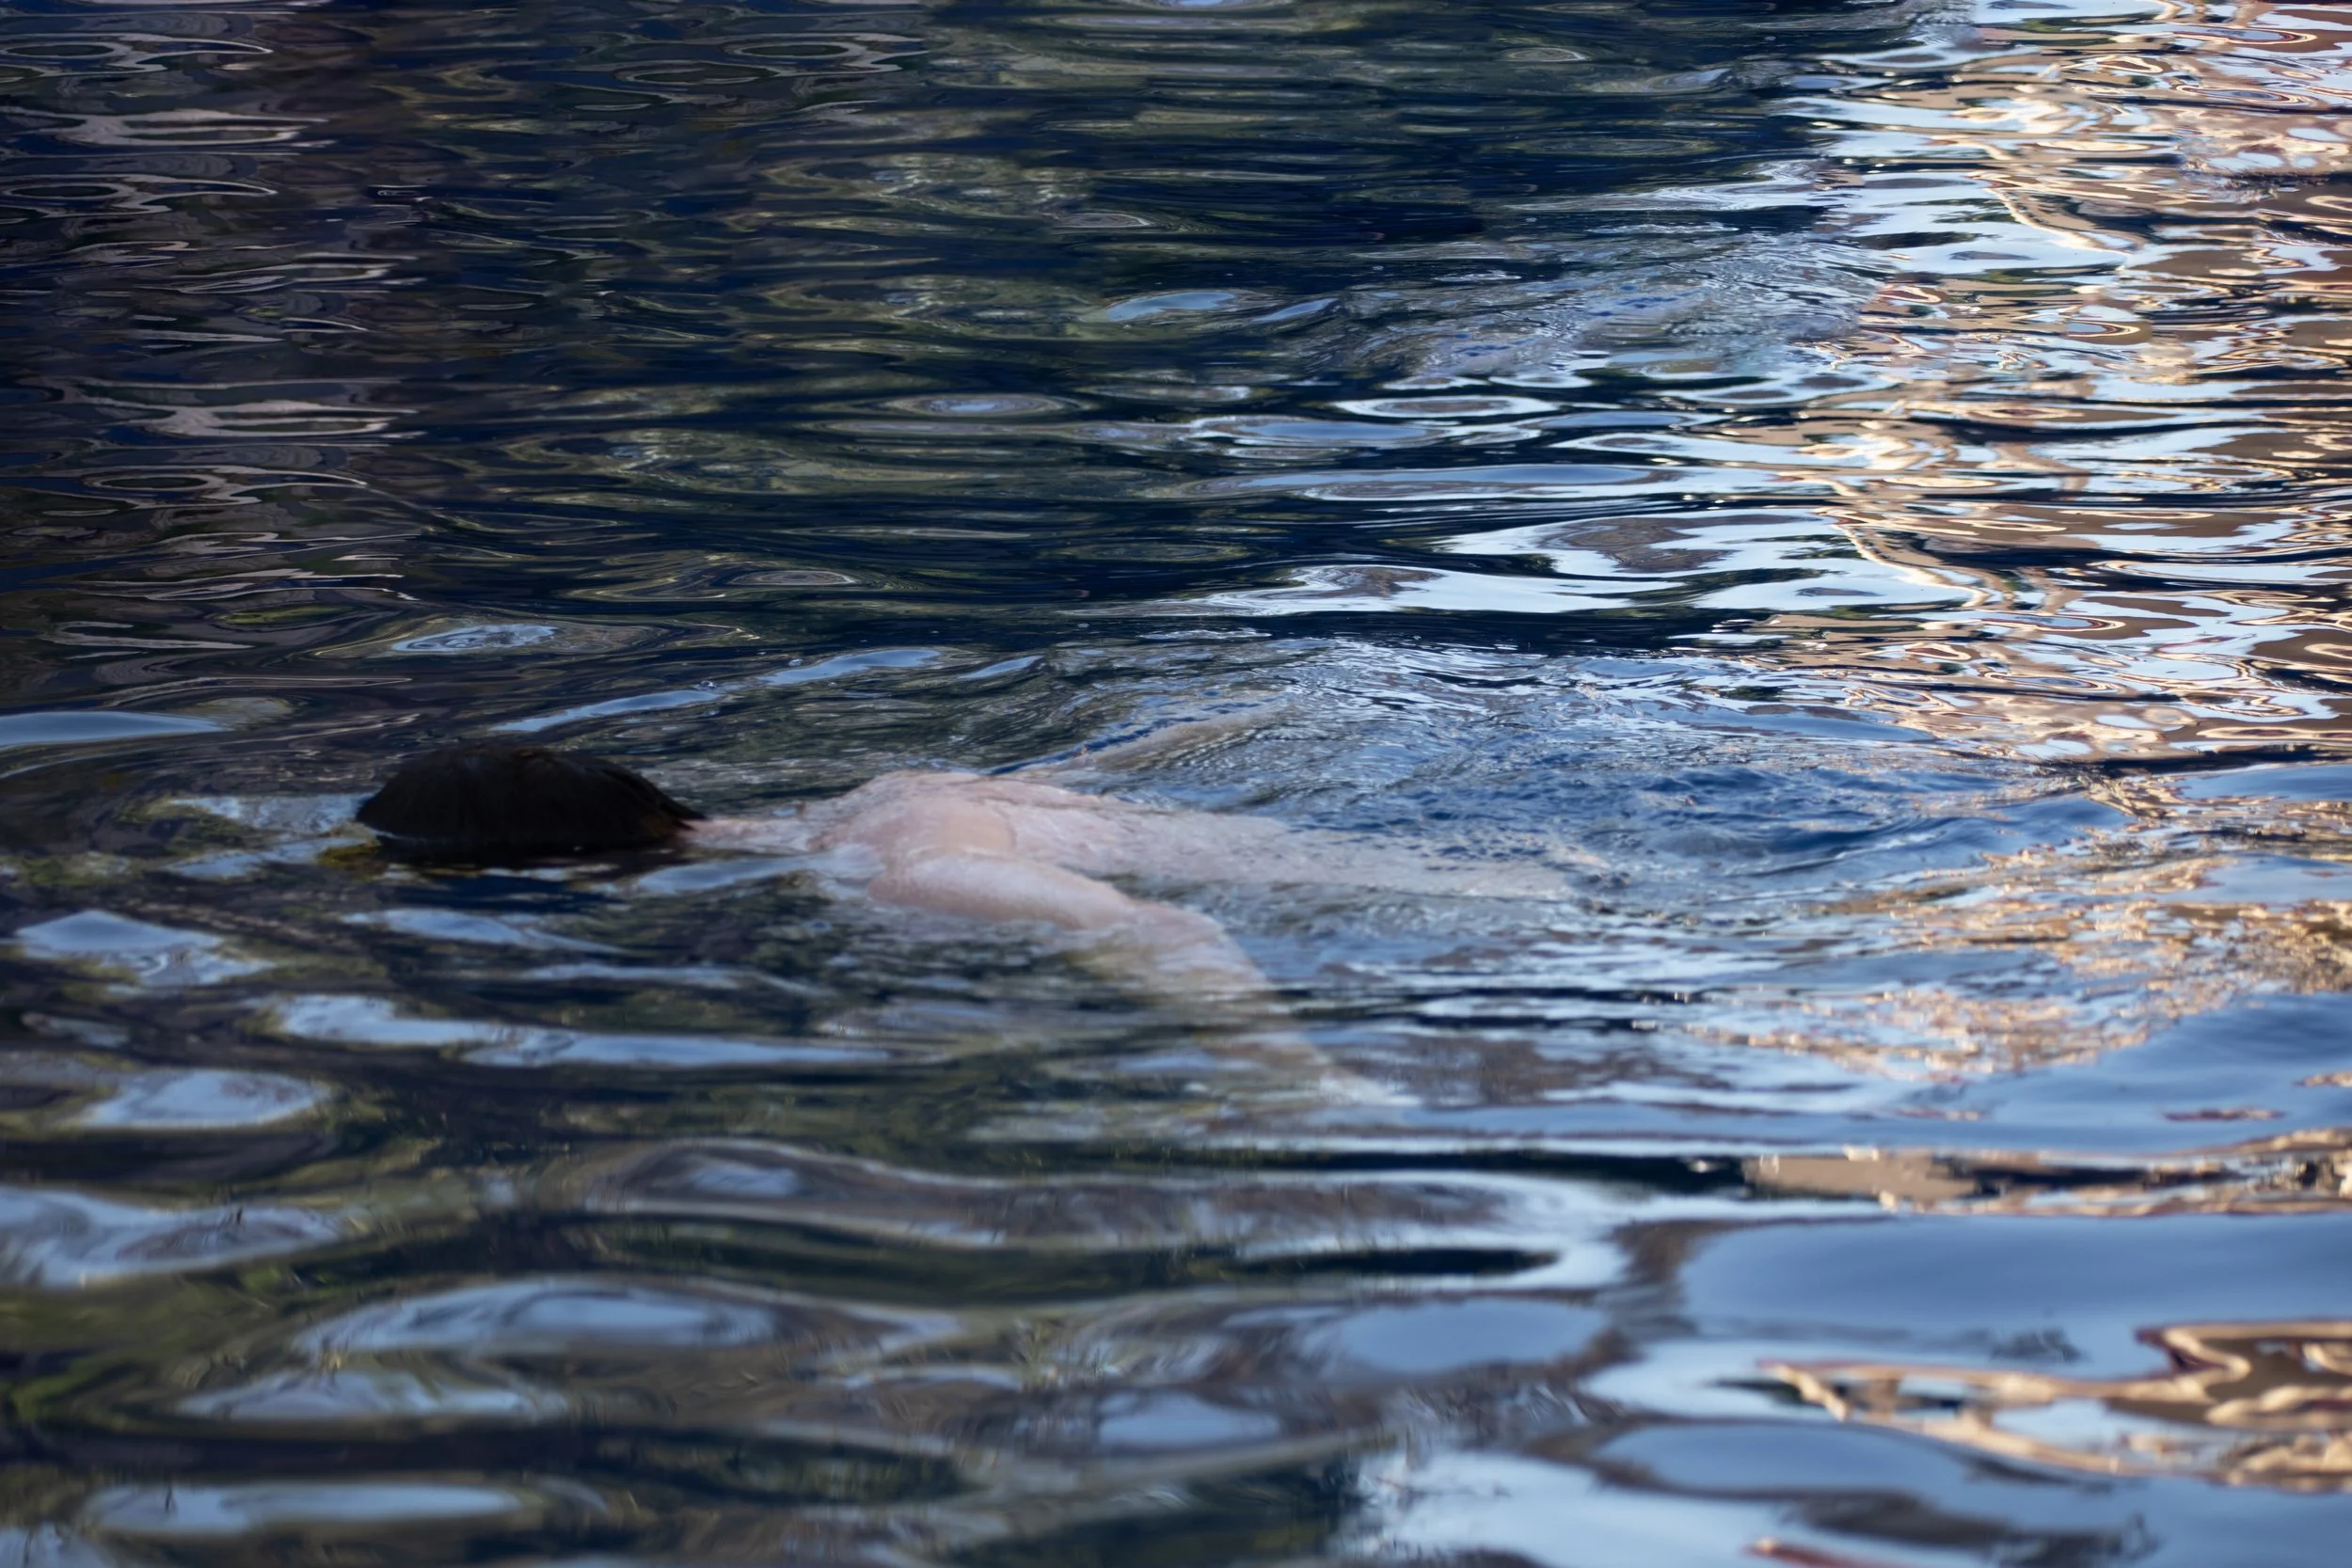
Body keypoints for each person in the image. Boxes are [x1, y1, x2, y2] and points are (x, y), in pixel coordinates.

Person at [356, 734, 1581, 1050]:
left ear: (579, 881)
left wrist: (1298, 1090)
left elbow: (1167, 928)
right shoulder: (890, 791)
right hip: (1522, 887)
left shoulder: (898, 873)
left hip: (1557, 942)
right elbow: (1137, 768)